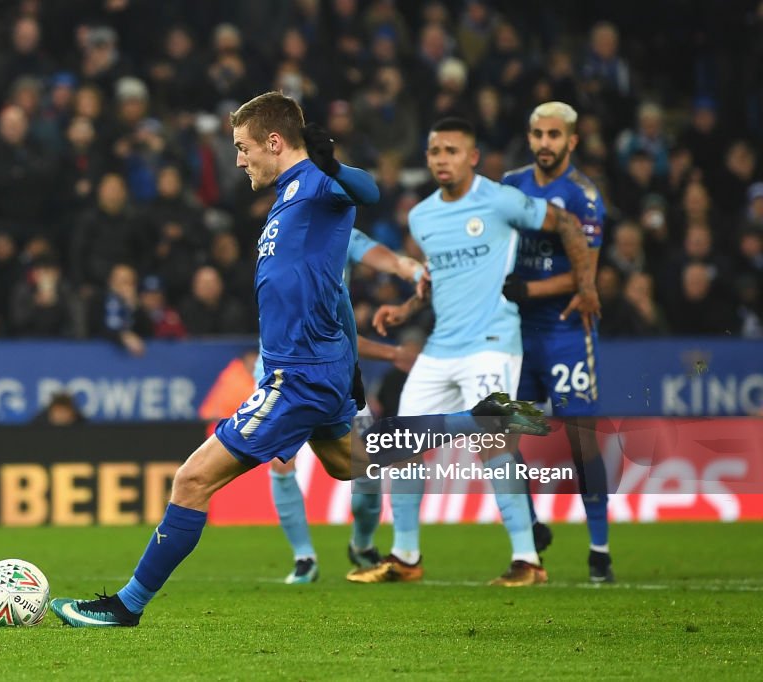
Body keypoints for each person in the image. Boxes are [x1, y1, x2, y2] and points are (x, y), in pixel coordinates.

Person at [48, 93, 539, 627]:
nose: (238, 159)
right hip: (316, 370)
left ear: (274, 143)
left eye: (243, 147)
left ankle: (126, 606)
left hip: (297, 376)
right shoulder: (288, 197)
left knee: (191, 480)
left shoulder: (319, 185)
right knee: (349, 462)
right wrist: (349, 366)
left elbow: (370, 190)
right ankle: (479, 419)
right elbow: (329, 290)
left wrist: (333, 164)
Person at [355, 117, 598, 587]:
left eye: (450, 150)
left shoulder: (500, 200)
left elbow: (565, 222)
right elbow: (438, 276)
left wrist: (585, 284)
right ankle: (405, 556)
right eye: (433, 151)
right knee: (401, 444)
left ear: (472, 157)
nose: (440, 159)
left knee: (491, 443)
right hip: (442, 345)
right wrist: (407, 308)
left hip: (492, 343)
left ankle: (528, 560)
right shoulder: (422, 216)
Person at [269, 227, 426, 584]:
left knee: (367, 472)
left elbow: (386, 259)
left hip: (336, 371)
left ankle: (362, 543)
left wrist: (415, 271)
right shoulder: (279, 231)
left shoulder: (341, 231)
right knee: (282, 462)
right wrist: (393, 353)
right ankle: (304, 558)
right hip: (284, 367)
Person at [499, 101, 614, 582]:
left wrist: (529, 289)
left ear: (572, 141)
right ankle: (531, 529)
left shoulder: (584, 197)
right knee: (503, 432)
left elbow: (585, 277)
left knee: (581, 436)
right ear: (529, 138)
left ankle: (599, 548)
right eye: (537, 134)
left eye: (554, 135)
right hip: (515, 334)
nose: (545, 143)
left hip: (566, 331)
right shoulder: (510, 186)